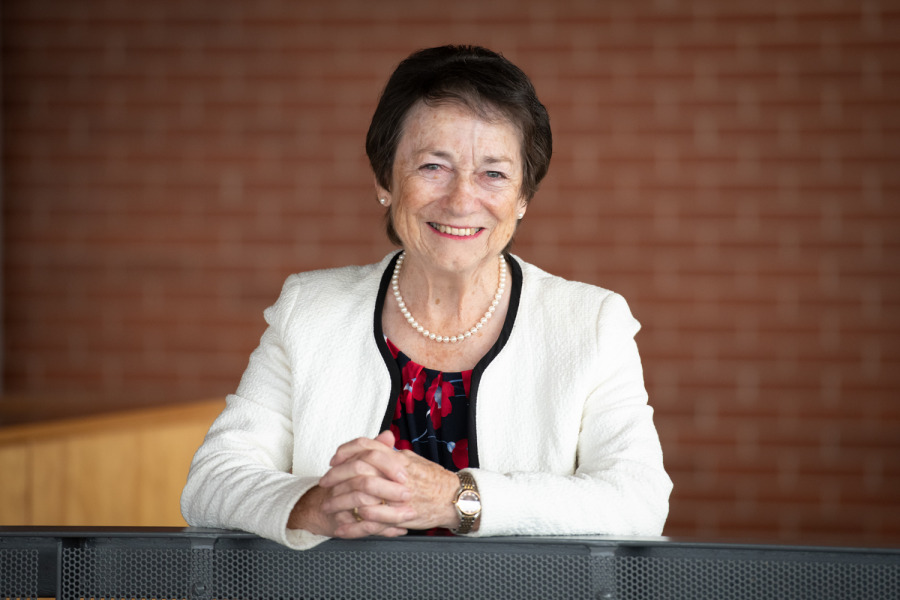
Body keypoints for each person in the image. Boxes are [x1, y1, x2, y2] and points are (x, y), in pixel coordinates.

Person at [181, 45, 672, 550]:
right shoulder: (309, 310)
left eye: (494, 174)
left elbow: (638, 499)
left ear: (523, 197)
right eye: (433, 166)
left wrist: (456, 498)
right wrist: (314, 505)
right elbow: (211, 481)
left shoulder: (590, 322)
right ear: (384, 181)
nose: (461, 200)